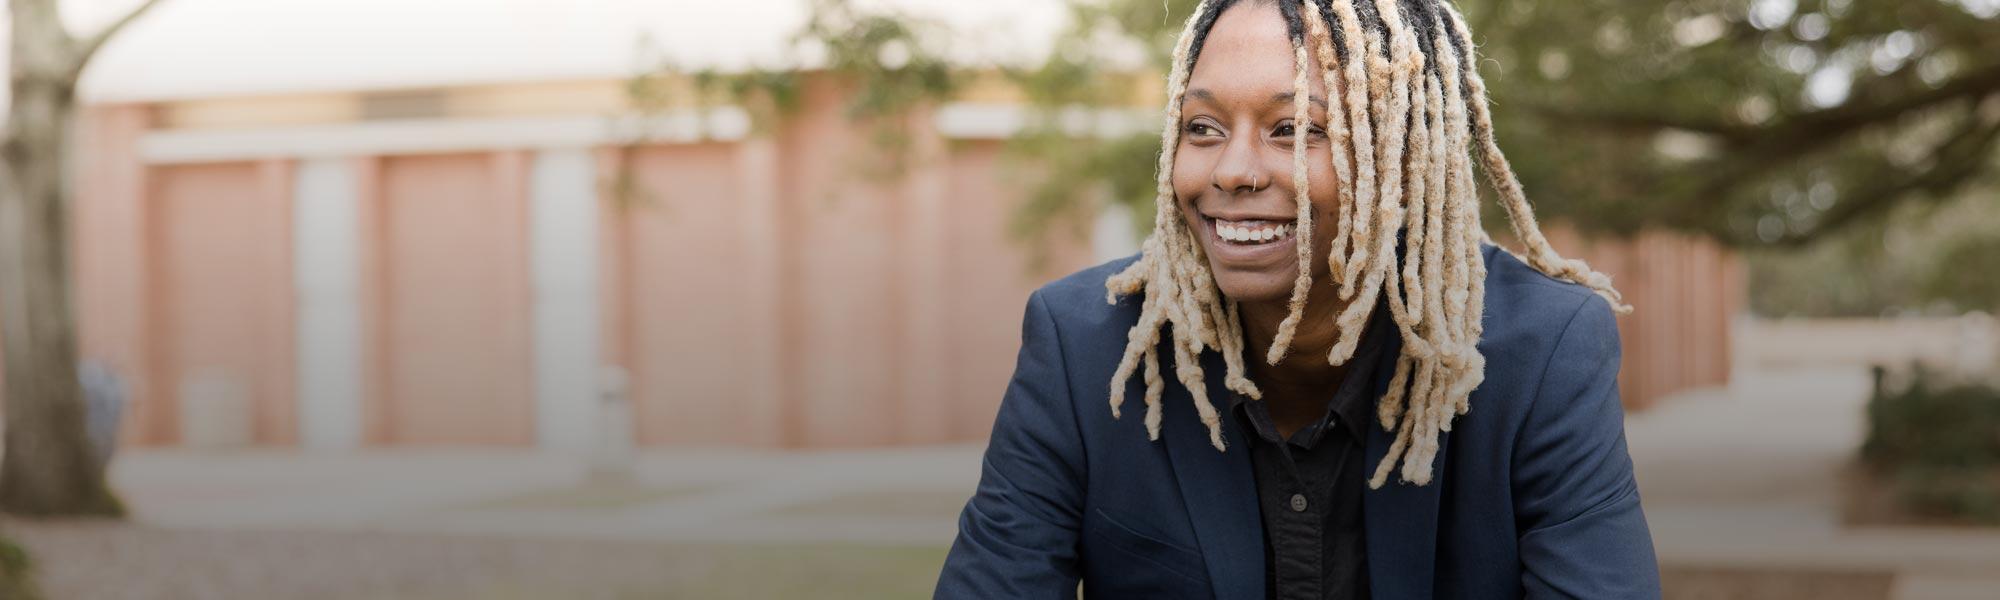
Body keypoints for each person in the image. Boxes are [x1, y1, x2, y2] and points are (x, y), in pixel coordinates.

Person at [933, 0, 1661, 598]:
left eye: (1295, 130)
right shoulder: (1084, 344)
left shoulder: (1544, 352)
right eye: (1203, 129)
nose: (1234, 170)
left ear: (1402, 160)